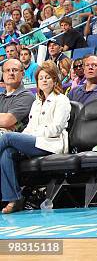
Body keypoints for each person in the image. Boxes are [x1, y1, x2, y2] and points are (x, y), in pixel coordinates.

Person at [0, 61, 71, 213]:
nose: (44, 80)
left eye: (48, 77)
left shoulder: (61, 100)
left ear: (55, 80)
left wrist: (32, 135)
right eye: (41, 78)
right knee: (7, 153)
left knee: (7, 138)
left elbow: (56, 128)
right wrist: (25, 137)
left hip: (51, 144)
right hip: (36, 142)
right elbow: (30, 127)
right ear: (37, 82)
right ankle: (14, 199)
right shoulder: (37, 103)